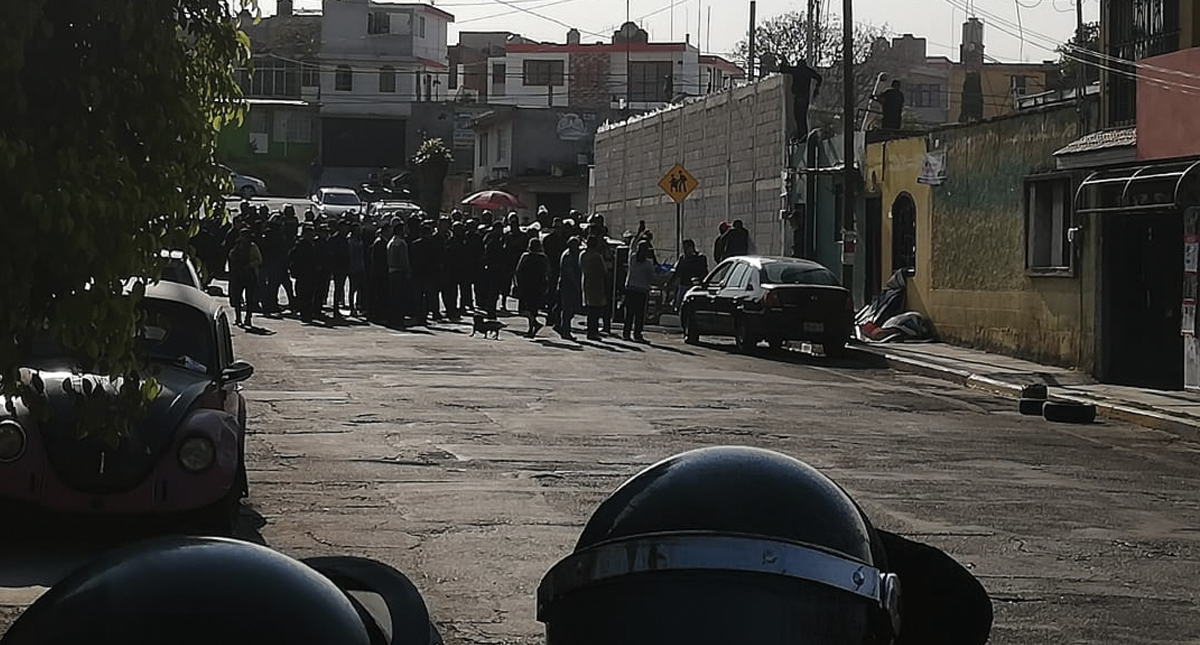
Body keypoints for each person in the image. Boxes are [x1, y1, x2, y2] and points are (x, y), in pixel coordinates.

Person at [778, 56, 823, 138]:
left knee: (798, 118)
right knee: (803, 118)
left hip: (798, 97)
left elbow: (783, 69)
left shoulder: (796, 70)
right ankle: (804, 135)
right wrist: (817, 88)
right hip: (805, 98)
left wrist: (783, 61)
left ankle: (801, 136)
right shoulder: (807, 71)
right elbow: (819, 78)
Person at [227, 227, 262, 328]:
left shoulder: (252, 247)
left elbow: (259, 260)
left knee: (249, 298)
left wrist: (250, 265)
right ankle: (238, 318)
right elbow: (231, 256)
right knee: (237, 297)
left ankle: (248, 318)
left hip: (249, 275)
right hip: (238, 275)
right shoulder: (237, 246)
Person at [514, 237, 549, 338]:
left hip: (527, 285)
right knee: (532, 308)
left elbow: (518, 270)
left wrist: (517, 284)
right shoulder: (543, 258)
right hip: (537, 285)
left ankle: (533, 327)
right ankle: (532, 327)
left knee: (524, 309)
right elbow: (547, 273)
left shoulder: (526, 256)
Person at [623, 240, 655, 343]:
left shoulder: (632, 259)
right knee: (639, 314)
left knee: (629, 313)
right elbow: (652, 278)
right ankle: (637, 334)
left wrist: (638, 235)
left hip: (630, 289)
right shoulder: (648, 264)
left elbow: (632, 247)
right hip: (641, 290)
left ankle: (626, 333)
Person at [580, 236, 609, 341]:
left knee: (590, 308)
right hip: (596, 283)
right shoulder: (597, 256)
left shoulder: (583, 254)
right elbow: (604, 271)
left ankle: (590, 330)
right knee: (596, 309)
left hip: (586, 282)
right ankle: (593, 331)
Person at [556, 237, 583, 341]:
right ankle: (565, 330)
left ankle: (561, 326)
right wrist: (577, 285)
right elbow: (569, 273)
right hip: (568, 285)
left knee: (568, 309)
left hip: (567, 285)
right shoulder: (568, 256)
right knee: (568, 309)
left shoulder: (569, 254)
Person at [673, 239, 708, 311]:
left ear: (692, 247)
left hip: (694, 286)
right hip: (683, 285)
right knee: (679, 305)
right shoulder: (683, 259)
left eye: (687, 248)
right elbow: (677, 272)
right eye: (684, 249)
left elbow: (704, 272)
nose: (686, 251)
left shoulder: (699, 259)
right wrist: (670, 284)